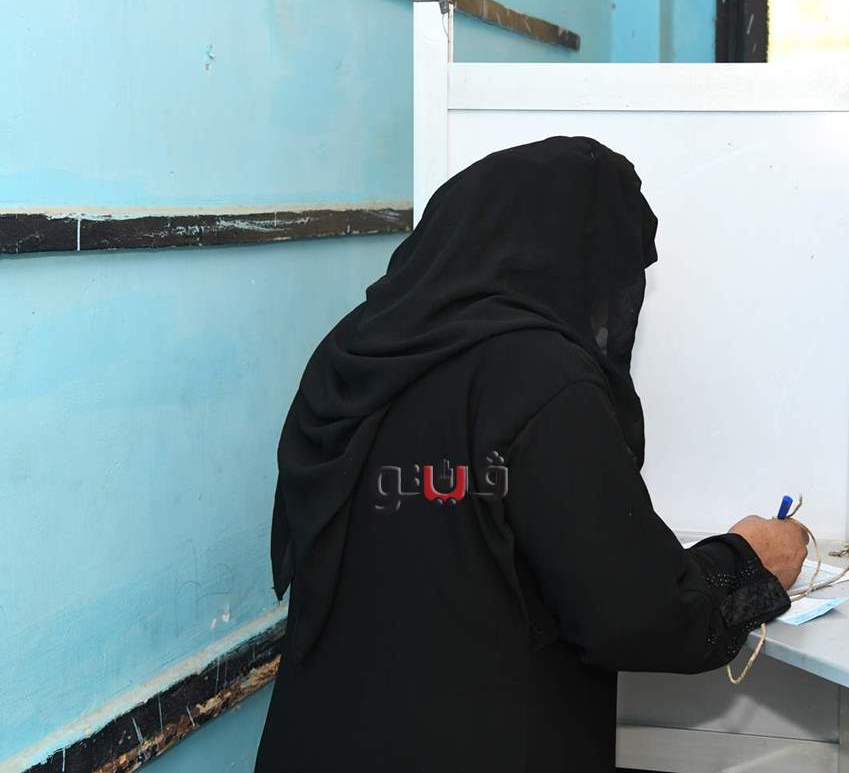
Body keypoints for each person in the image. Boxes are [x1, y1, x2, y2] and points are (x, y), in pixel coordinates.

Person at [256, 136, 809, 773]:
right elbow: (638, 616)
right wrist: (749, 560)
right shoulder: (539, 377)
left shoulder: (354, 353)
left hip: (319, 738)